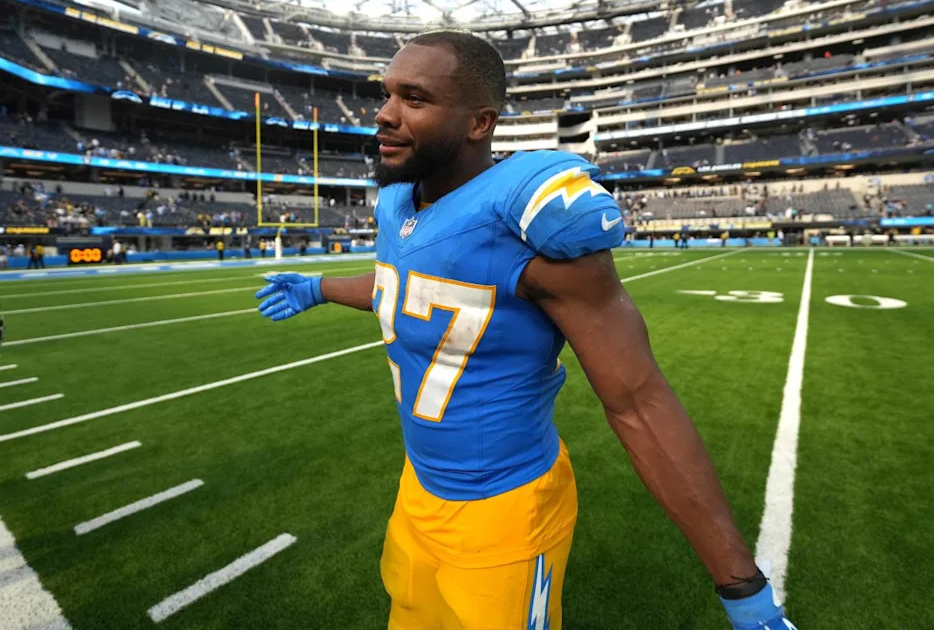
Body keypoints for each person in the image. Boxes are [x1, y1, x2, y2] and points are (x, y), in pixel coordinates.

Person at [255, 31, 795, 630]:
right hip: (418, 491)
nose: (384, 115)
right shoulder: (398, 203)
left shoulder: (528, 219)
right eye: (386, 95)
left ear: (478, 122)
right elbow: (411, 291)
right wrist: (321, 287)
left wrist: (740, 585)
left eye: (415, 98)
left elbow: (638, 402)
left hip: (505, 509)